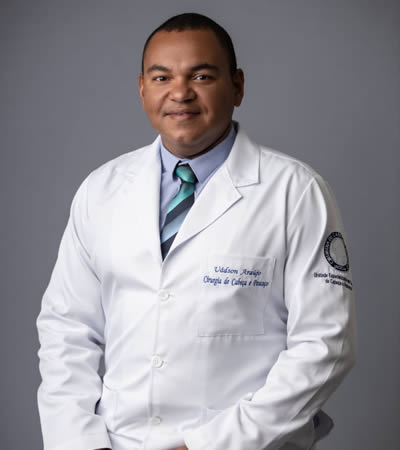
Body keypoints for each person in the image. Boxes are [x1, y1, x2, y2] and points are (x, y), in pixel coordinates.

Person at [36, 12, 356, 450]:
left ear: (237, 86)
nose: (180, 93)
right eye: (162, 77)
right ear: (142, 88)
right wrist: (80, 443)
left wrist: (207, 445)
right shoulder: (100, 190)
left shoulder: (296, 193)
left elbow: (325, 346)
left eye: (201, 76)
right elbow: (67, 330)